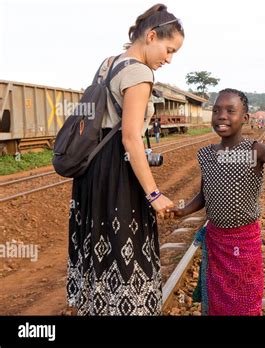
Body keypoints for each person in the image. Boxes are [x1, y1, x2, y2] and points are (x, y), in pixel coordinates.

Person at [66, 3, 183, 315]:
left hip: (91, 171)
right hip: (118, 170)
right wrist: (154, 193)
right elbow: (130, 137)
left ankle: (99, 307)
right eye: (169, 49)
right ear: (152, 36)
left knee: (98, 244)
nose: (168, 59)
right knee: (124, 246)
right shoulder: (139, 72)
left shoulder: (108, 63)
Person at [172, 88, 265, 315]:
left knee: (245, 298)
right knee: (217, 301)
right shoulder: (206, 154)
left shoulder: (255, 150)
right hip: (216, 242)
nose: (221, 115)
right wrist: (183, 210)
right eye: (216, 110)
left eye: (230, 110)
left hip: (244, 242)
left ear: (245, 118)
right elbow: (205, 194)